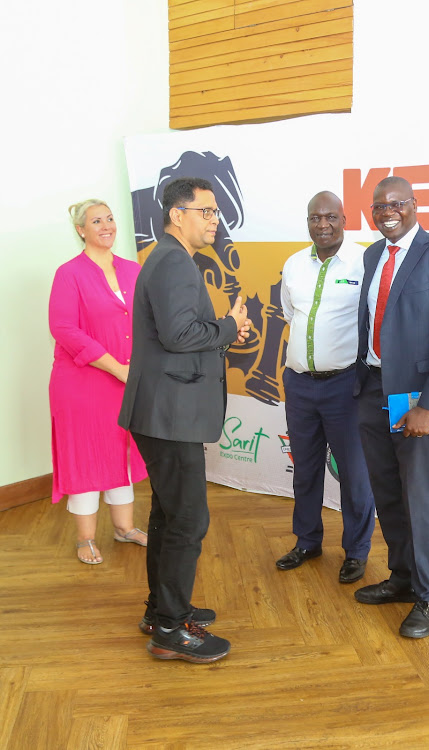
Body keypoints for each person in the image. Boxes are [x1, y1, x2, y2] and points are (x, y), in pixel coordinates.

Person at [119, 177, 250, 664]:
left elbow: (179, 333)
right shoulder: (173, 262)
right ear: (178, 215)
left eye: (217, 213)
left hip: (161, 411)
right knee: (188, 519)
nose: (216, 220)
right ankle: (172, 630)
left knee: (169, 514)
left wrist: (222, 330)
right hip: (168, 414)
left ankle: (161, 610)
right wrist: (229, 327)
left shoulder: (168, 259)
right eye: (208, 211)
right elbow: (179, 334)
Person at [353, 176, 429, 639]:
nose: (388, 211)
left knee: (420, 498)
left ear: (414, 205)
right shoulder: (370, 255)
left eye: (397, 203)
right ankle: (402, 578)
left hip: (417, 399)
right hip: (372, 390)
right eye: (379, 205)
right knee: (388, 493)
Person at [276, 192, 375, 583]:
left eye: (330, 217)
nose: (322, 225)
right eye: (315, 218)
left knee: (354, 473)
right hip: (299, 384)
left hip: (346, 386)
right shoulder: (294, 264)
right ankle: (307, 541)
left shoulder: (364, 261)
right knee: (306, 469)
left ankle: (356, 551)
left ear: (344, 219)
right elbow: (290, 313)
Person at [49, 200, 148, 565]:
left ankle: (124, 528)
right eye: (96, 221)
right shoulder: (69, 273)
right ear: (81, 230)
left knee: (121, 449)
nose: (106, 226)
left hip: (125, 379)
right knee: (86, 454)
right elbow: (63, 328)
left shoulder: (132, 270)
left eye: (109, 219)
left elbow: (146, 320)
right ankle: (85, 538)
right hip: (82, 383)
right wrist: (116, 367)